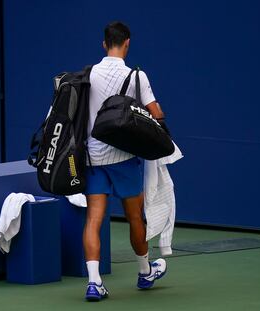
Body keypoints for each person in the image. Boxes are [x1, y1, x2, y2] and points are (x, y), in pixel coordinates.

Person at [84, 21, 167, 301]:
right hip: (124, 159)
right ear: (128, 43)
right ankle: (145, 273)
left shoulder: (89, 74)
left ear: (104, 43)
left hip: (93, 158)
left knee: (94, 219)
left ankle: (94, 283)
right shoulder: (137, 76)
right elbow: (157, 113)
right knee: (135, 217)